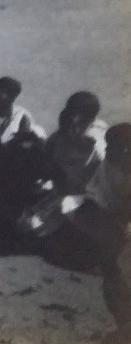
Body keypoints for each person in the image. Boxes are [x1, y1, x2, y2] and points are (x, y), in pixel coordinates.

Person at [62, 124, 131, 341]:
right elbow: (96, 194)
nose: (110, 151)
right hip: (114, 222)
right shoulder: (107, 164)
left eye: (117, 147)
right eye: (109, 145)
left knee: (118, 271)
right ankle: (125, 325)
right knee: (112, 275)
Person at [18, 91, 107, 240]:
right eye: (70, 111)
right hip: (62, 191)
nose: (71, 116)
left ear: (89, 118)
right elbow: (48, 162)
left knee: (60, 213)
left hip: (89, 198)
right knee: (25, 225)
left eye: (77, 114)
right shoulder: (62, 134)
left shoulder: (98, 145)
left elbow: (102, 186)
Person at [0, 76, 48, 241]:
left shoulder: (22, 117)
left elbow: (24, 147)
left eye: (0, 98)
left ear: (12, 99)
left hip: (12, 165)